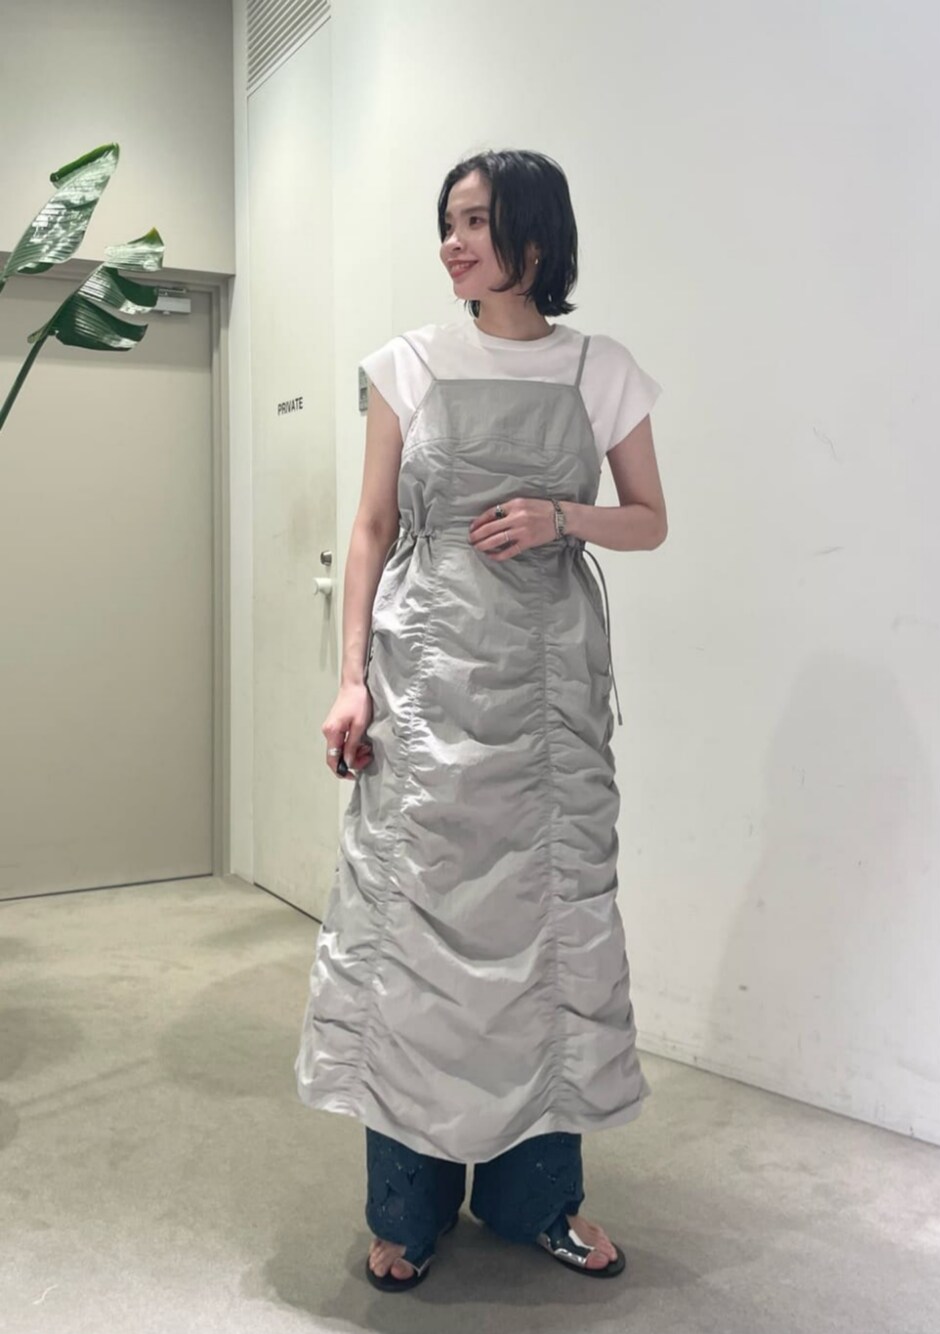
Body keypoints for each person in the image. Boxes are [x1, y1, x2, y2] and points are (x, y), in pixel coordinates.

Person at [295, 148, 668, 1292]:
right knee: (412, 937)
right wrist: (350, 677)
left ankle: (536, 1200)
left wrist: (564, 515)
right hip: (423, 680)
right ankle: (407, 1211)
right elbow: (370, 527)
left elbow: (648, 519)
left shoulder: (601, 369)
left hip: (548, 693)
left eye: (475, 222)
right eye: (447, 221)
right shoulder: (406, 364)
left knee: (551, 929)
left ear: (534, 240)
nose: (451, 243)